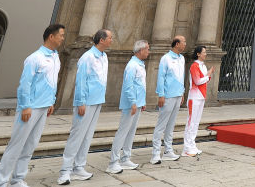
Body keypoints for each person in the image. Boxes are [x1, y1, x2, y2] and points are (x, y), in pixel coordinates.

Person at [0, 23, 65, 187]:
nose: (63, 38)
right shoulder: (35, 58)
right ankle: (1, 182)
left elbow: (52, 82)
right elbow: (24, 84)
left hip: (44, 107)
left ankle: (18, 178)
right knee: (16, 145)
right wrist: (25, 106)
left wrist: (51, 102)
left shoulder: (55, 57)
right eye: (61, 35)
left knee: (30, 145)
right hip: (30, 108)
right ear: (51, 36)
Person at [58, 29, 113, 184]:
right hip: (86, 102)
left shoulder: (104, 57)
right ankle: (65, 171)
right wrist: (81, 101)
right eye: (109, 38)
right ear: (101, 40)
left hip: (97, 100)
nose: (111, 40)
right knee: (76, 136)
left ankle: (79, 167)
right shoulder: (87, 57)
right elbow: (81, 81)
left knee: (87, 136)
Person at [108, 40, 149, 174]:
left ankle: (126, 158)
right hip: (130, 104)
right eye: (147, 49)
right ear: (140, 50)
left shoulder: (140, 65)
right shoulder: (132, 65)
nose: (149, 52)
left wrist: (141, 102)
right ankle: (113, 161)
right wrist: (132, 102)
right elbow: (128, 86)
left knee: (131, 132)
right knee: (123, 131)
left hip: (137, 103)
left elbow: (140, 85)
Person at [152, 36, 187, 163]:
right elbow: (161, 77)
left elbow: (181, 77)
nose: (185, 44)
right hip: (168, 95)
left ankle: (168, 150)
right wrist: (161, 95)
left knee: (171, 124)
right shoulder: (166, 58)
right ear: (177, 44)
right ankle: (155, 153)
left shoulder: (182, 58)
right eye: (183, 42)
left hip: (178, 94)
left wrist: (182, 92)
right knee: (161, 124)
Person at [183, 45, 212, 157]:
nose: (205, 54)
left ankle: (192, 145)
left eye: (205, 52)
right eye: (204, 52)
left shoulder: (203, 66)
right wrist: (208, 76)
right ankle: (187, 148)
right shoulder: (194, 66)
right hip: (194, 97)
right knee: (191, 122)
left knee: (196, 122)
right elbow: (197, 81)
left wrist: (207, 76)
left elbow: (205, 81)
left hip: (201, 96)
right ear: (198, 54)